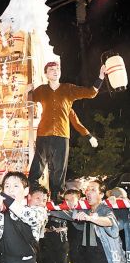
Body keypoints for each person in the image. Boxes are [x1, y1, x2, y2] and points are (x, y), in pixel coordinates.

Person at [28, 61, 106, 202]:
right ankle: (34, 196)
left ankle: (56, 201)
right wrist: (28, 91)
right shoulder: (41, 90)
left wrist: (100, 77)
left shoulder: (68, 89)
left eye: (57, 69)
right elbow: (28, 100)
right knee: (36, 169)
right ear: (46, 74)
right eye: (51, 69)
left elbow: (90, 93)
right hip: (43, 135)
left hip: (62, 137)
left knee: (58, 171)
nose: (55, 71)